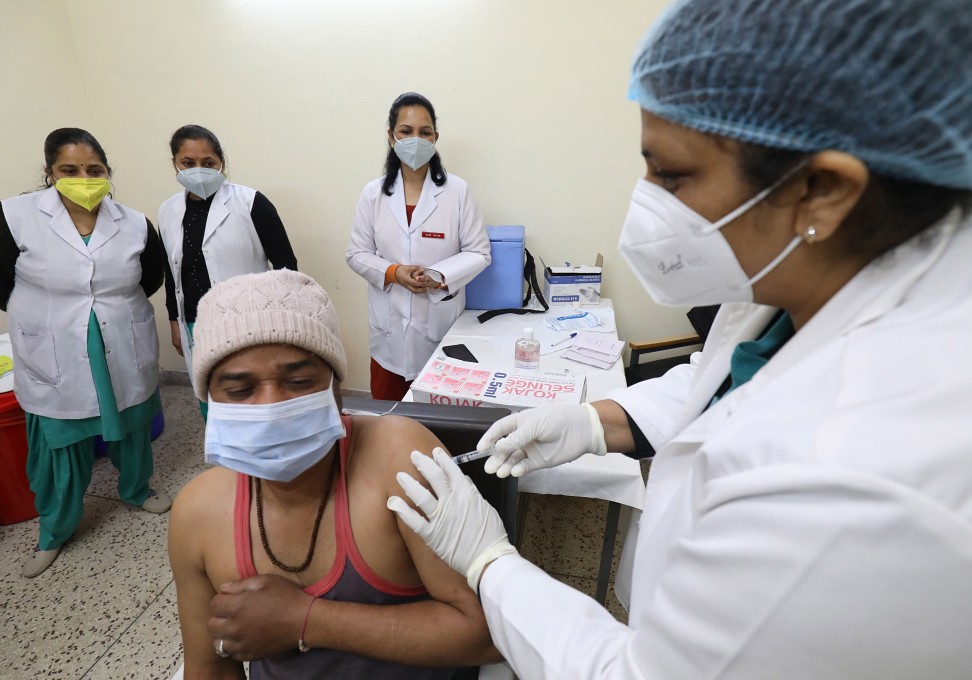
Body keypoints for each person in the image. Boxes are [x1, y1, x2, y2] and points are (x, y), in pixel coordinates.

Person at [387, 0, 972, 677]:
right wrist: (594, 419)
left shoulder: (848, 480)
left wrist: (492, 565)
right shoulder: (809, 281)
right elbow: (724, 376)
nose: (647, 202)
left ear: (823, 190)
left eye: (671, 174)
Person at [167, 270, 499, 678]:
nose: (271, 408)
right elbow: (210, 668)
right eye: (240, 391)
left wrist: (306, 620)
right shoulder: (198, 515)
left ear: (336, 386)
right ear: (211, 402)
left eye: (300, 381)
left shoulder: (400, 461)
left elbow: (488, 633)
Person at [0, 127, 170, 578]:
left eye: (94, 170)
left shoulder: (133, 222)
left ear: (108, 173)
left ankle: (137, 490)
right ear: (49, 173)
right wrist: (39, 313)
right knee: (60, 441)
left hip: (120, 337)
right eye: (70, 170)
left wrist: (106, 308)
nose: (84, 177)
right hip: (53, 345)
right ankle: (54, 531)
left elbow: (149, 277)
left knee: (133, 424)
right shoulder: (11, 217)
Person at [346, 92, 491, 401]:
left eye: (425, 132)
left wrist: (439, 275)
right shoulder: (373, 194)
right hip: (388, 336)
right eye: (406, 131)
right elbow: (356, 253)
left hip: (440, 329)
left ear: (435, 137)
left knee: (440, 422)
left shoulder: (457, 191)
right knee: (389, 421)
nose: (416, 139)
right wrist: (395, 272)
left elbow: (479, 252)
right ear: (391, 136)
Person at [159, 124, 297, 418]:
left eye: (208, 162)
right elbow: (172, 273)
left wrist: (283, 321)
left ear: (221, 162)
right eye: (188, 163)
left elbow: (287, 266)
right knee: (210, 396)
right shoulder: (167, 211)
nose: (199, 169)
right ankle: (225, 455)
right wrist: (175, 319)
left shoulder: (252, 203)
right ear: (175, 165)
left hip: (248, 321)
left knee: (249, 396)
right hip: (195, 324)